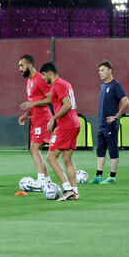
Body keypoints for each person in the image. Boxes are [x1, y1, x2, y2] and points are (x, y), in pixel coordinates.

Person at [39, 61, 81, 201]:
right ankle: (75, 192)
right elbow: (71, 104)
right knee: (67, 159)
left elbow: (67, 105)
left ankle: (67, 189)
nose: (43, 78)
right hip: (75, 123)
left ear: (50, 73)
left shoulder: (57, 84)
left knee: (51, 157)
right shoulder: (66, 83)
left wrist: (53, 119)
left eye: (43, 75)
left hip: (66, 125)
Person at [17, 54, 54, 190]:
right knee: (35, 151)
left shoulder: (40, 79)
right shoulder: (29, 81)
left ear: (30, 65)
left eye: (22, 65)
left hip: (44, 120)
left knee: (34, 149)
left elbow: (51, 98)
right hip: (35, 120)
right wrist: (26, 115)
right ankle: (47, 181)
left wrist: (33, 103)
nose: (20, 69)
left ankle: (40, 180)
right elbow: (33, 102)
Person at [93, 61, 129, 184]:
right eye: (99, 70)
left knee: (113, 150)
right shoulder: (103, 86)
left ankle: (112, 177)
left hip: (110, 125)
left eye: (102, 70)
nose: (100, 73)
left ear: (110, 70)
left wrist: (116, 116)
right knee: (100, 151)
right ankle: (98, 176)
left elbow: (126, 102)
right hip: (102, 125)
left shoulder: (116, 85)